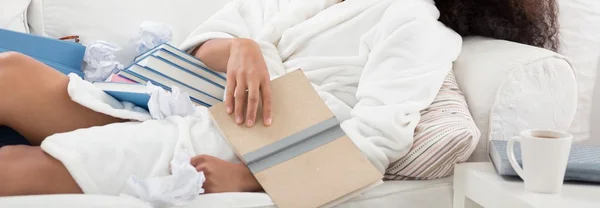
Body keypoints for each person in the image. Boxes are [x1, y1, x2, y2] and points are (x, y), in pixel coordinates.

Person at [0, 0, 559, 196]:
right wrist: (240, 46)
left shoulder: (414, 25)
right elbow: (203, 45)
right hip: (181, 96)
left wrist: (253, 176)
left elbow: (377, 141)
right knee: (12, 72)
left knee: (13, 168)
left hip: (236, 136)